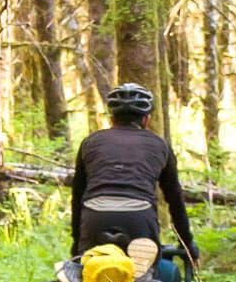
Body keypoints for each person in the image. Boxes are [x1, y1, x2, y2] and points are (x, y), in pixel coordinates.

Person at [70, 83, 199, 271]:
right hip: (139, 218)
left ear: (112, 119)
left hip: (94, 218)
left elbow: (77, 196)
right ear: (146, 119)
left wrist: (77, 244)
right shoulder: (160, 145)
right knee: (145, 278)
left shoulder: (90, 142)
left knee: (90, 275)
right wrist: (187, 245)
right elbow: (175, 200)